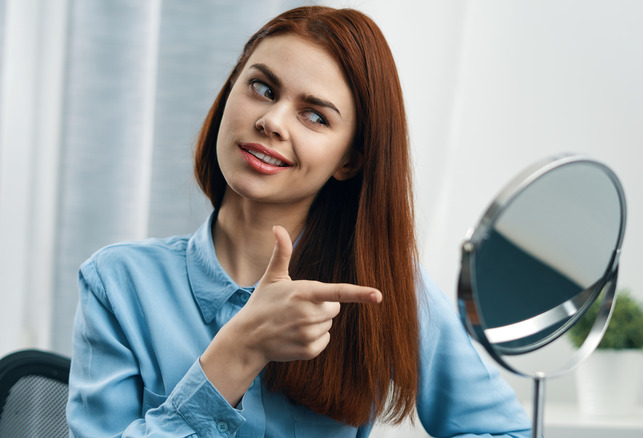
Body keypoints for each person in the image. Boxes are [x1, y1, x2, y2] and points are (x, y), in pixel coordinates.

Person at [67, 6, 531, 437]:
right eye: (262, 89)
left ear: (349, 160)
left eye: (314, 116)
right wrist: (238, 353)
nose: (272, 121)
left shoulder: (382, 289)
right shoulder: (118, 284)